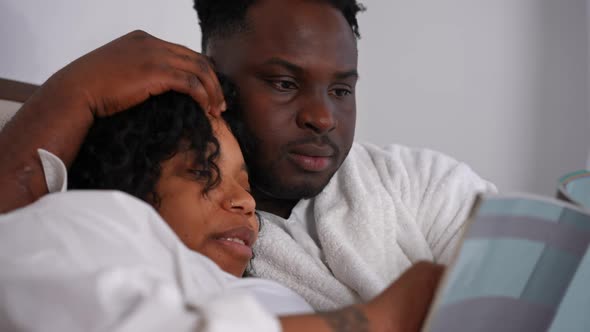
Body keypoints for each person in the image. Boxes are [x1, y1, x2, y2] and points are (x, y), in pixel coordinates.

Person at [0, 0, 492, 324]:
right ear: (208, 75)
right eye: (283, 82)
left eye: (342, 89)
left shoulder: (420, 182)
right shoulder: (125, 221)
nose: (323, 117)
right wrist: (73, 93)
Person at [0, 88, 442, 332]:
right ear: (124, 179)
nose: (246, 202)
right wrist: (376, 320)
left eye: (246, 185)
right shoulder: (80, 225)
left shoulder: (262, 294)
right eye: (203, 172)